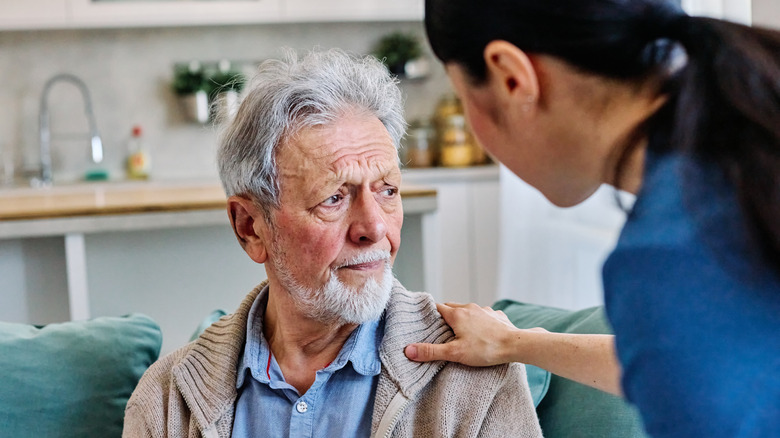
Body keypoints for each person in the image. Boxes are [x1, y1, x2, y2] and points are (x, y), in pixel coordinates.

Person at [404, 0, 780, 437]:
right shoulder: (739, 164)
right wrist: (516, 343)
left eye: (462, 98)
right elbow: (708, 358)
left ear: (512, 78)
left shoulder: (668, 257)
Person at [123, 48, 543, 438]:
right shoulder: (165, 404)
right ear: (250, 227)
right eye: (334, 198)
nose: (374, 228)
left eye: (387, 190)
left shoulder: (477, 378)